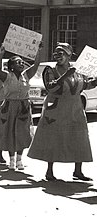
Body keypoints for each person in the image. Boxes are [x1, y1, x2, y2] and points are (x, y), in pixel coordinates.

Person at [27, 42, 97, 181]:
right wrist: (65, 76)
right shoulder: (50, 70)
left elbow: (85, 85)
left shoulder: (78, 70)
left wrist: (94, 82)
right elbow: (50, 87)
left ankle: (78, 171)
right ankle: (49, 171)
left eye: (61, 53)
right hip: (57, 108)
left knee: (79, 139)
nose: (57, 55)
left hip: (75, 109)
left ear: (69, 54)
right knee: (54, 138)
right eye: (56, 53)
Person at [0, 44, 42, 170]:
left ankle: (19, 159)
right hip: (9, 107)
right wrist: (1, 55)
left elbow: (36, 65)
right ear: (11, 66)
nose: (21, 64)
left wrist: (38, 51)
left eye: (22, 62)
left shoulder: (26, 75)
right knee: (10, 132)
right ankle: (11, 159)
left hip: (23, 107)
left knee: (22, 132)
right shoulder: (6, 76)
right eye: (18, 62)